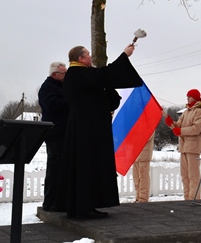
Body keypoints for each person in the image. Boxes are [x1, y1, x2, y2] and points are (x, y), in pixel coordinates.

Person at [54, 43, 143, 219]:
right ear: (80, 58)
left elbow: (102, 81)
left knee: (80, 165)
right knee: (88, 164)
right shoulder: (80, 74)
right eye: (88, 54)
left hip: (81, 126)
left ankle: (78, 205)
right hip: (89, 129)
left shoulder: (74, 76)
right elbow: (106, 73)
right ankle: (85, 207)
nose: (91, 57)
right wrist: (125, 55)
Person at [38, 61, 70, 212]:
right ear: (54, 74)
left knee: (63, 168)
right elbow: (53, 105)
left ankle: (62, 201)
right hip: (55, 134)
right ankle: (50, 202)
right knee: (54, 168)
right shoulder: (47, 88)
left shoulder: (61, 86)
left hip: (64, 132)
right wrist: (70, 99)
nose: (65, 76)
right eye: (63, 73)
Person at [165, 89, 201, 200]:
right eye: (187, 96)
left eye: (189, 96)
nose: (187, 98)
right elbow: (178, 125)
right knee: (185, 176)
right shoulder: (186, 112)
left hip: (193, 148)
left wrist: (180, 131)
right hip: (183, 147)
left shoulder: (200, 112)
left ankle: (194, 198)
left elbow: (196, 129)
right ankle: (187, 199)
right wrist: (172, 123)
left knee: (193, 176)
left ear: (196, 97)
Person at [132, 130, 155, 203]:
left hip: (144, 154)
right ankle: (138, 196)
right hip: (135, 154)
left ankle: (143, 198)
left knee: (143, 177)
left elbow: (146, 137)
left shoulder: (150, 125)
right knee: (136, 177)